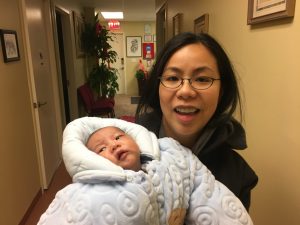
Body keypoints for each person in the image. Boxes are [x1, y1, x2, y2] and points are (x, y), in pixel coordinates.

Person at [38, 117, 253, 225]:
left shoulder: (171, 157)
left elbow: (209, 196)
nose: (113, 145)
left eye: (118, 137)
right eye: (101, 149)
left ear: (136, 138)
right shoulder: (85, 192)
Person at [135, 32, 258, 210]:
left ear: (221, 90)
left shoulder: (239, 177)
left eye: (202, 79)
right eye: (172, 78)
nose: (185, 91)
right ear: (158, 87)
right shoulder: (122, 152)